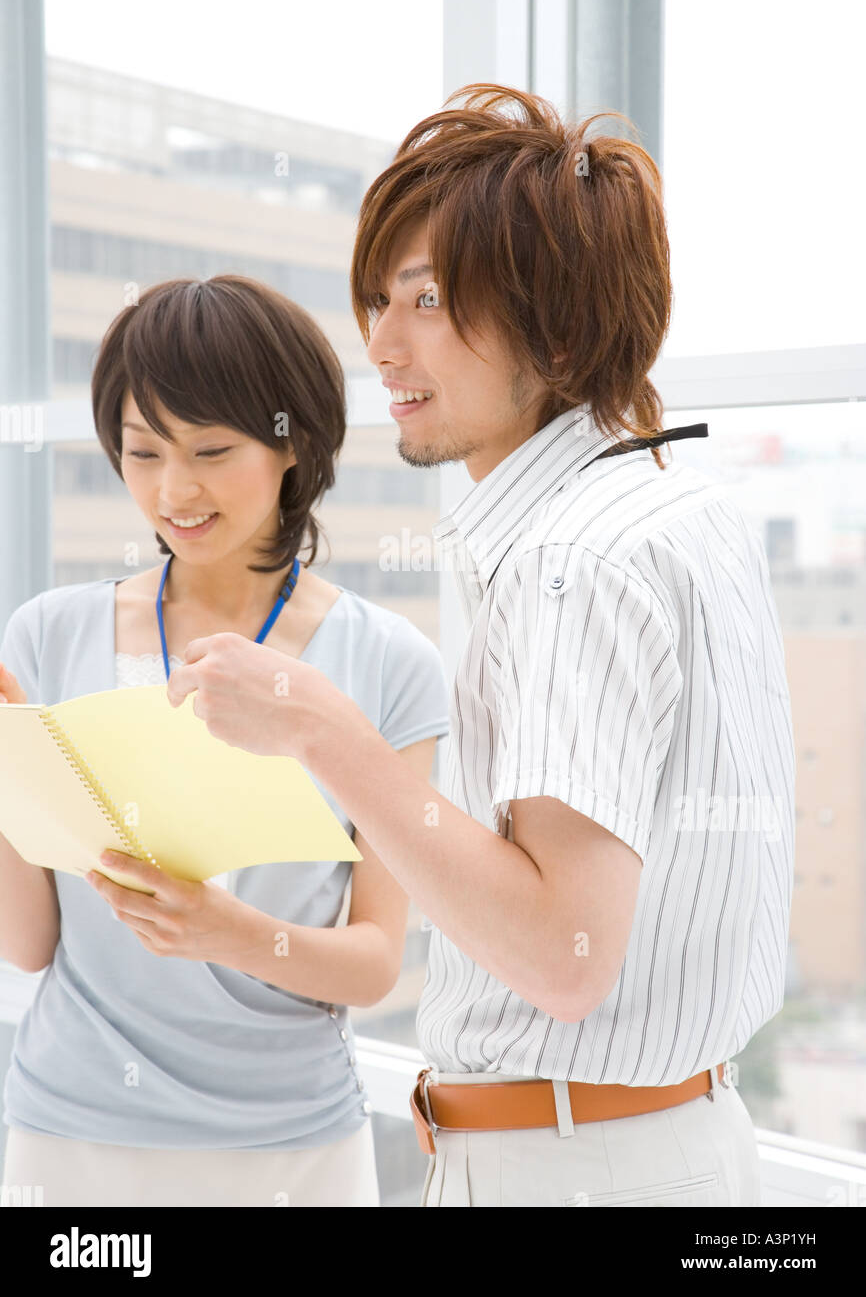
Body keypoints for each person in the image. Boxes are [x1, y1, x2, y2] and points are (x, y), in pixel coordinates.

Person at [157, 83, 796, 1208]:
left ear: (554, 321)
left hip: (572, 1168)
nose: (379, 341)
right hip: (663, 1146)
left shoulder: (572, 559)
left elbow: (564, 956)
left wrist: (319, 727)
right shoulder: (675, 506)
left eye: (429, 301)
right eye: (377, 298)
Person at [0, 273, 450, 1207]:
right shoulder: (48, 635)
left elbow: (372, 963)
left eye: (212, 449)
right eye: (141, 452)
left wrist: (230, 934)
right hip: (73, 1135)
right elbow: (30, 942)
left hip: (289, 1149)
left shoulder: (387, 661)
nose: (174, 490)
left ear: (295, 447)